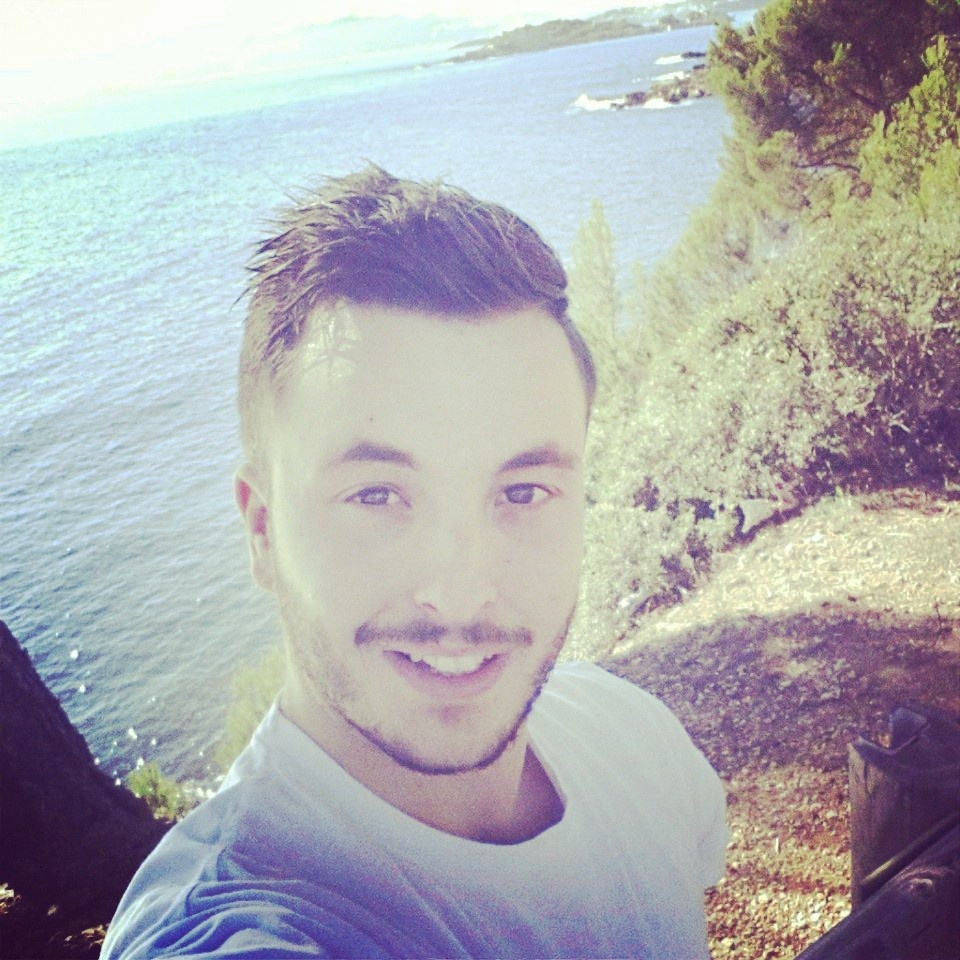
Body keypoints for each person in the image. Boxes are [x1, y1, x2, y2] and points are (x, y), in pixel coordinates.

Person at [102, 166, 727, 959]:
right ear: (263, 530)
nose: (461, 591)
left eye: (524, 491)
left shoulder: (634, 738)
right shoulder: (236, 926)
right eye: (376, 495)